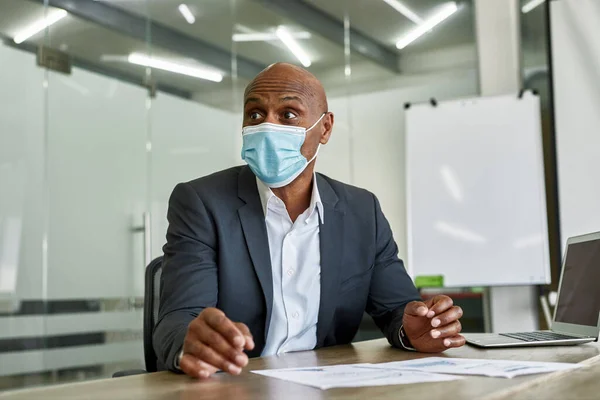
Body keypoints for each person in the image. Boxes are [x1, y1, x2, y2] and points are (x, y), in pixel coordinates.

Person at [154, 63, 465, 379]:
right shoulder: (201, 202)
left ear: (325, 128)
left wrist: (415, 330)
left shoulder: (361, 211)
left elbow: (397, 310)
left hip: (328, 385)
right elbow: (176, 320)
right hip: (236, 385)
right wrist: (191, 342)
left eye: (288, 114)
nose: (267, 126)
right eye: (255, 115)